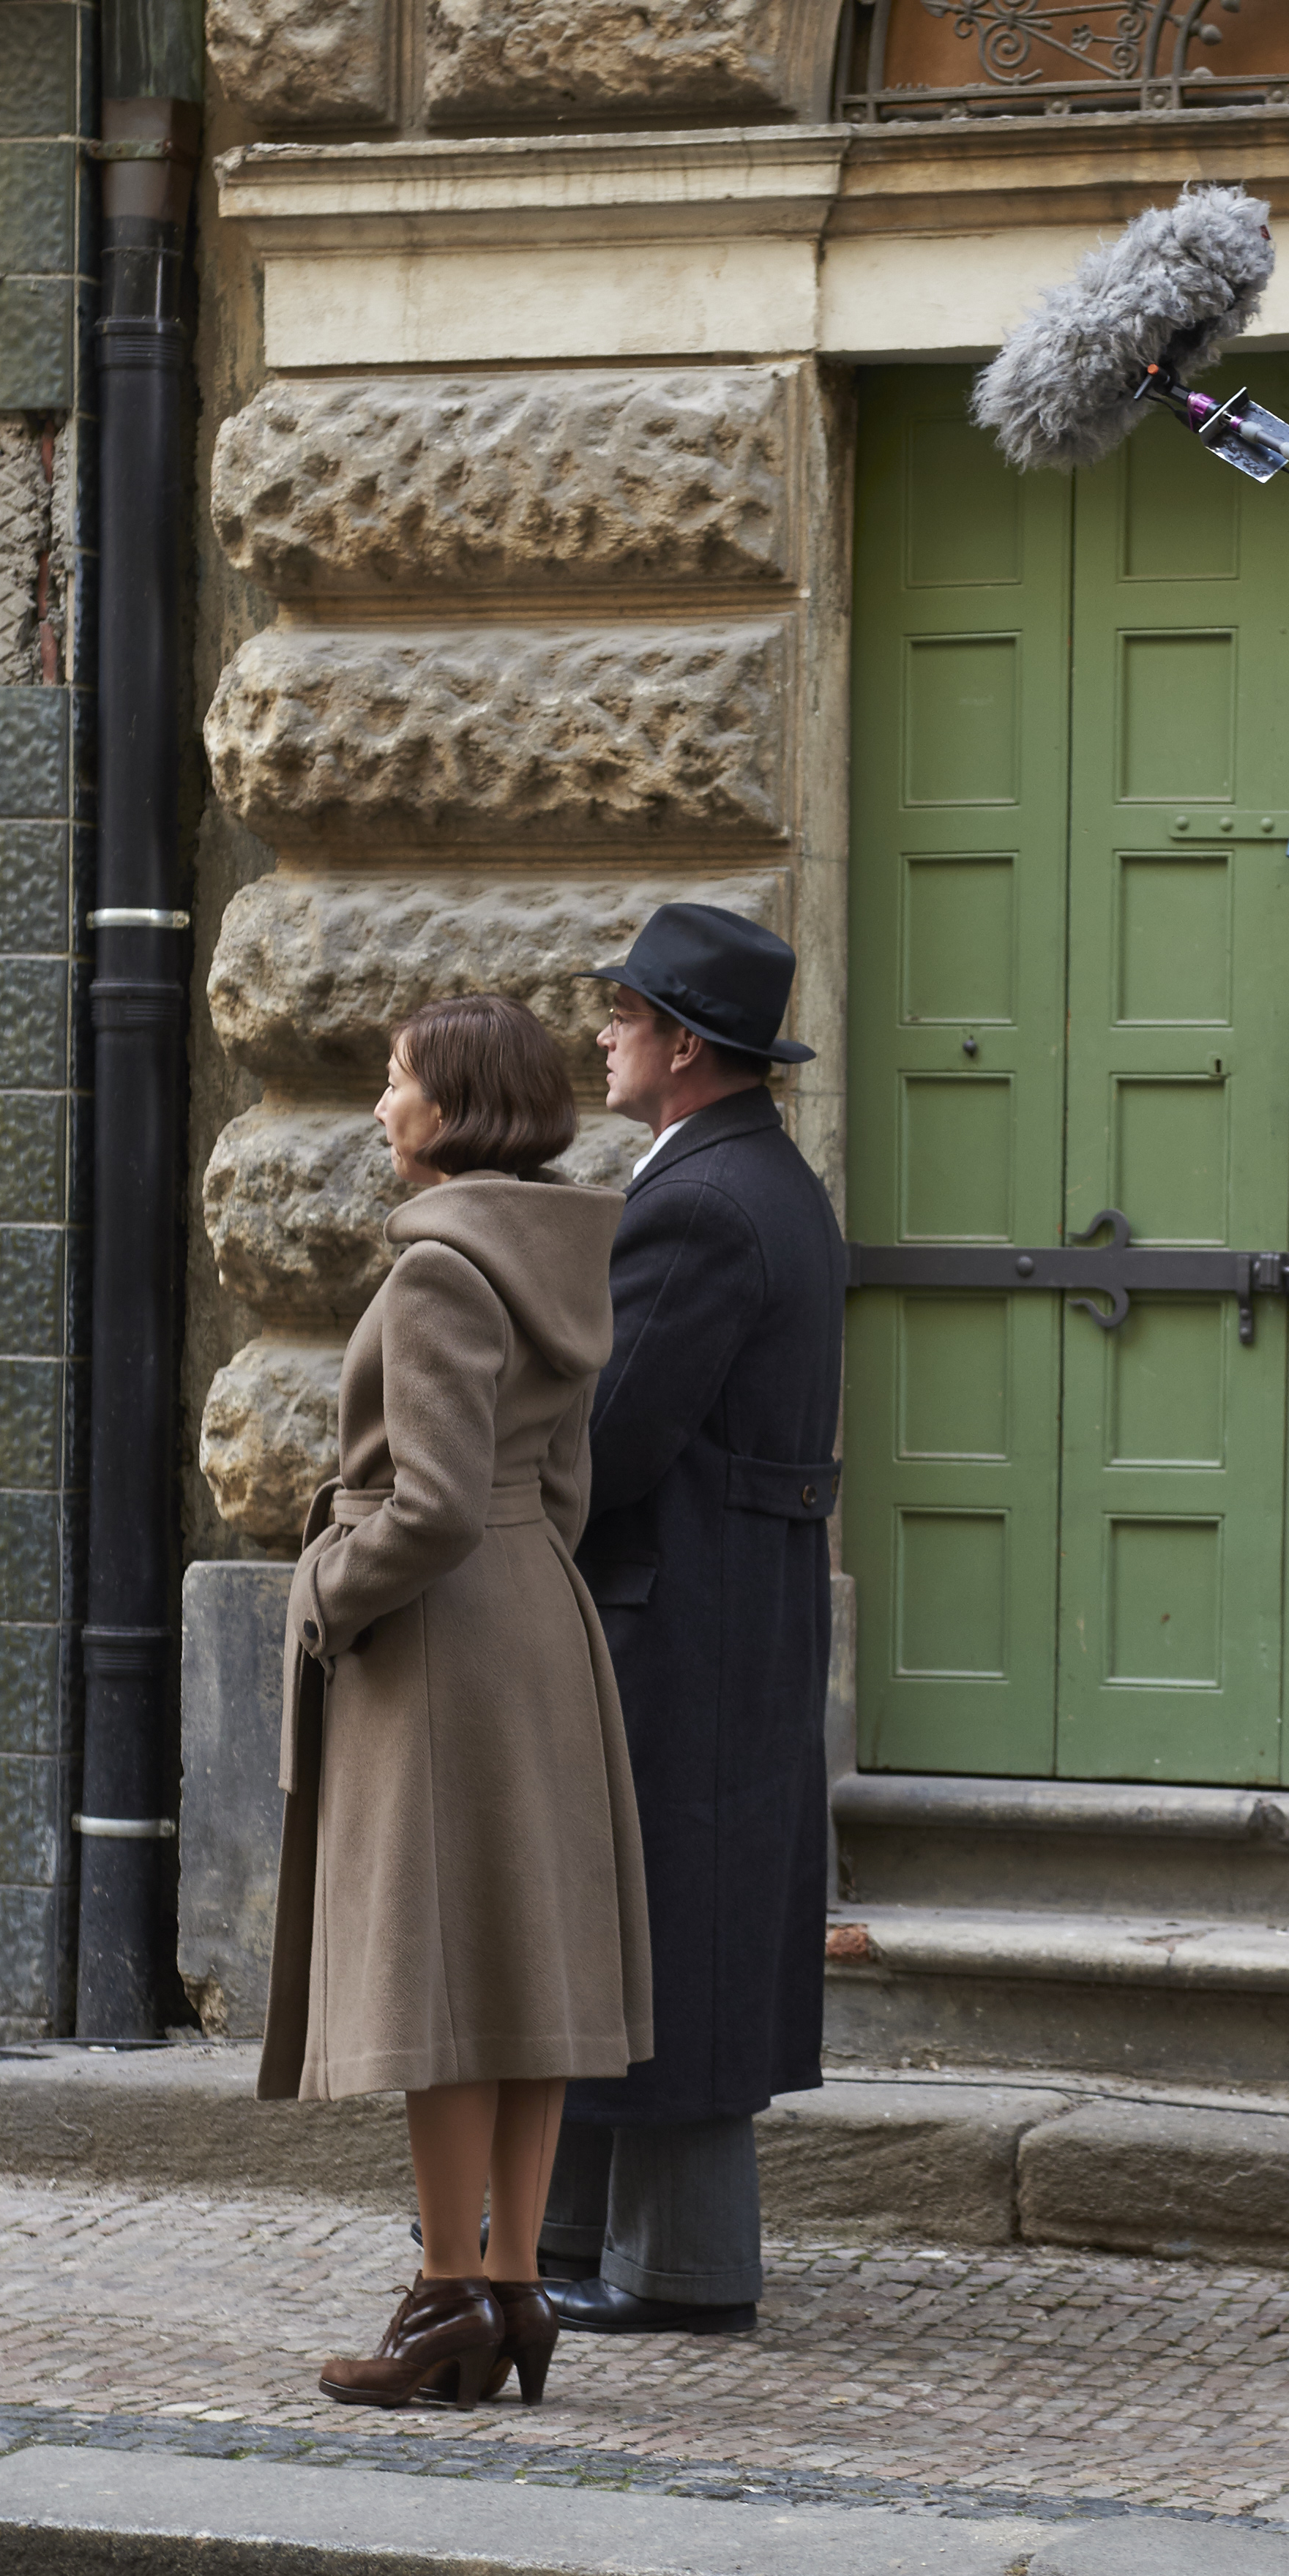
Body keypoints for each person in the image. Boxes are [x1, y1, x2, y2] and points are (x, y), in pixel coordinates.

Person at [262, 992, 655, 2413]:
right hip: (536, 1623)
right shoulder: (557, 1255)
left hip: (439, 1644)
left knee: (441, 1987)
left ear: (454, 1108)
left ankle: (443, 2294)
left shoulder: (436, 1271)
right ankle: (510, 2290)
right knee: (524, 1982)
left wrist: (323, 1592)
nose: (378, 1105)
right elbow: (563, 1486)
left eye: (393, 1080)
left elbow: (423, 1509)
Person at [535, 902, 845, 2337]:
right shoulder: (761, 1177)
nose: (603, 1029)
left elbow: (613, 1435)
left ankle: (677, 2268)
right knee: (665, 1923)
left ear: (681, 1045)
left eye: (625, 1011)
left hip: (677, 1617)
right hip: (727, 1606)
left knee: (668, 1931)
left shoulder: (701, 1200)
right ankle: (579, 2232)